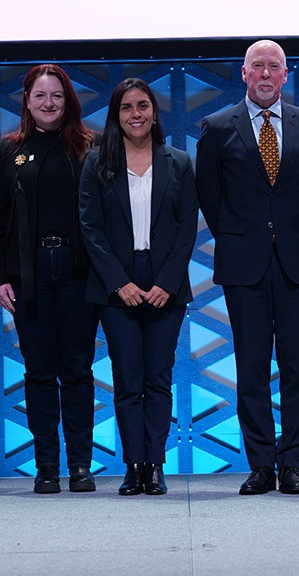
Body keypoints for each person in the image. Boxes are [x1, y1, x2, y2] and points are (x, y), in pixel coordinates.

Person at [196, 40, 299, 495]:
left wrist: (290, 231)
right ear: (243, 73)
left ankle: (292, 464)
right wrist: (242, 235)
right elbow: (209, 195)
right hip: (242, 263)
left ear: (286, 75)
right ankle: (260, 465)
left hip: (296, 261)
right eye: (258, 67)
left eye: (275, 67)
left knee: (297, 367)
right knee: (251, 367)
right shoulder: (216, 126)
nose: (266, 74)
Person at [79, 78, 197, 496]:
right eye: (127, 107)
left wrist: (166, 282)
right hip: (116, 286)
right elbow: (90, 229)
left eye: (143, 106)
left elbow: (187, 230)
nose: (136, 114)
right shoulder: (97, 163)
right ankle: (134, 466)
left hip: (166, 282)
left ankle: (157, 465)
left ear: (154, 111)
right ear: (116, 115)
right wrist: (119, 284)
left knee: (158, 380)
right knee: (128, 380)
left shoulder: (179, 161)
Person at [0, 65, 99, 494]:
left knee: (77, 371)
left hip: (78, 273)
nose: (49, 103)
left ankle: (80, 466)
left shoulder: (91, 147)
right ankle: (46, 466)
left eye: (56, 96)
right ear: (27, 101)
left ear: (68, 100)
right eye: (40, 96)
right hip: (28, 275)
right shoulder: (9, 151)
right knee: (38, 372)